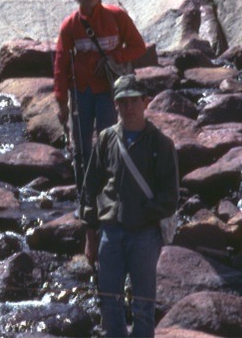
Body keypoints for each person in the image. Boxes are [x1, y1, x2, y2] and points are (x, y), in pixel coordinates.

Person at [80, 75, 179, 338]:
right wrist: (90, 234)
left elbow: (170, 196)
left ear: (145, 102)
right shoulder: (106, 139)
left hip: (145, 235)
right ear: (115, 105)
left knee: (144, 306)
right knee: (108, 302)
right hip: (110, 233)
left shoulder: (161, 144)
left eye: (134, 101)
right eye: (123, 102)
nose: (129, 108)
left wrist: (144, 212)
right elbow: (90, 188)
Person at [53, 0, 147, 193]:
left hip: (108, 90)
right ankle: (85, 196)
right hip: (81, 92)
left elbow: (138, 47)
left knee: (109, 141)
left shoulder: (117, 16)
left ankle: (110, 192)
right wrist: (61, 101)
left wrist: (114, 57)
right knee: (81, 148)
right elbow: (60, 65)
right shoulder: (70, 25)